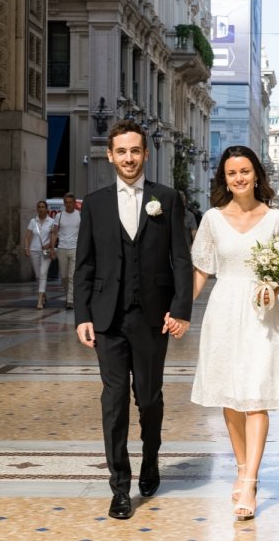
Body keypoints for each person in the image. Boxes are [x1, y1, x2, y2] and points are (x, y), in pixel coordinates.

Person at [73, 119, 193, 520]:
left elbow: (180, 258)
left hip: (152, 318)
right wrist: (82, 315)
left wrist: (180, 310)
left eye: (135, 150)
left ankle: (151, 460)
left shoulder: (167, 199)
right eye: (121, 151)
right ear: (110, 156)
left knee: (149, 398)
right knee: (114, 401)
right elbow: (84, 265)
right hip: (107, 318)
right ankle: (119, 487)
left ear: (145, 153)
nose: (128, 158)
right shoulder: (95, 203)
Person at [190, 145, 279, 521]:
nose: (238, 178)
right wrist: (178, 310)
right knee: (230, 398)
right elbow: (202, 270)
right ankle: (240, 467)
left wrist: (275, 286)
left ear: (257, 174)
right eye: (231, 172)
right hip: (222, 311)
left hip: (260, 313)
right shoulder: (211, 218)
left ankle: (250, 480)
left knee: (255, 398)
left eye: (245, 171)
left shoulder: (274, 219)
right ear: (224, 178)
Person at [23, 200, 55, 309]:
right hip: (34, 250)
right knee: (38, 275)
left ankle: (40, 301)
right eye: (39, 207)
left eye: (43, 207)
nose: (41, 209)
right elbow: (27, 236)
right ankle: (43, 293)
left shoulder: (51, 221)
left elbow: (55, 236)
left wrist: (50, 245)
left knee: (42, 274)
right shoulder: (33, 221)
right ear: (37, 209)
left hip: (46, 252)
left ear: (46, 209)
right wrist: (26, 248)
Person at [51, 192, 81, 309]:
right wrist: (53, 249)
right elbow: (54, 233)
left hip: (75, 248)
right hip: (62, 248)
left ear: (74, 203)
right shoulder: (59, 216)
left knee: (72, 275)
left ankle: (70, 300)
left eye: (70, 202)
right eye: (66, 203)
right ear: (64, 203)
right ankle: (68, 295)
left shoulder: (79, 215)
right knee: (64, 276)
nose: (68, 205)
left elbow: (84, 233)